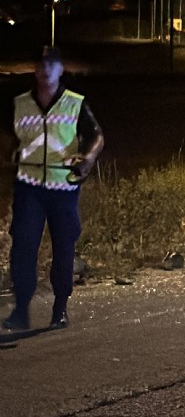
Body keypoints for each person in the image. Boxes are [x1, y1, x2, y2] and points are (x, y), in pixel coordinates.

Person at [3, 47, 104, 331]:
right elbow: (10, 136)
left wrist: (87, 159)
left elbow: (96, 135)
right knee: (23, 248)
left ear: (61, 70)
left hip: (63, 187)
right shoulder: (20, 103)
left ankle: (60, 308)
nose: (46, 71)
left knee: (63, 249)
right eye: (41, 66)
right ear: (36, 71)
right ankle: (21, 309)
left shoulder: (75, 103)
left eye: (52, 66)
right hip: (29, 187)